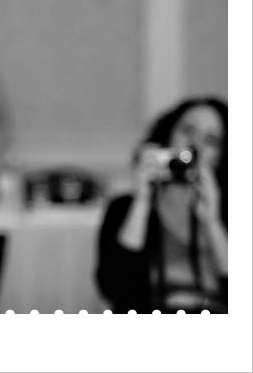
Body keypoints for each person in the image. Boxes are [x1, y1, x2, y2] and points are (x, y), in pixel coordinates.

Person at [95, 96, 228, 313]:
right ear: (168, 136)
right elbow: (112, 288)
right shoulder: (123, 208)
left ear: (222, 155)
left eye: (211, 140)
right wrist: (142, 202)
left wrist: (213, 223)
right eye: (188, 131)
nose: (195, 145)